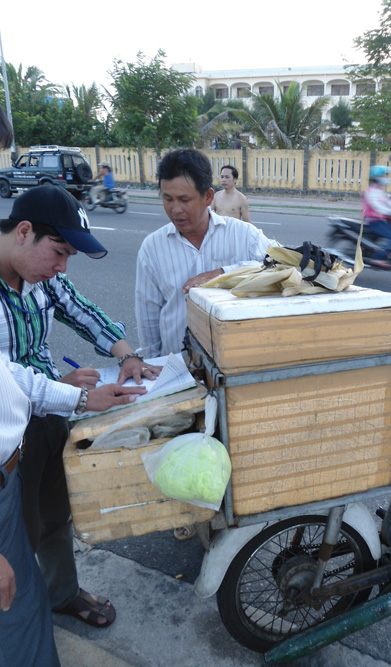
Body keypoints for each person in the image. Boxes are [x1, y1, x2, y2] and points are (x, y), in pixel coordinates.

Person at [0, 184, 161, 628]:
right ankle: (21, 617)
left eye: (69, 256)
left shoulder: (41, 278)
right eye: (59, 252)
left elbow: (83, 310)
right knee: (19, 532)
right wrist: (78, 395)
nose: (61, 267)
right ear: (24, 232)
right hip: (9, 436)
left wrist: (127, 355)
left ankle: (61, 593)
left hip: (53, 413)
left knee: (57, 515)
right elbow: (7, 380)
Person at [135, 148, 272, 540]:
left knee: (231, 441)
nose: (175, 209)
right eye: (166, 198)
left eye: (184, 199)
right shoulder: (153, 247)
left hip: (235, 367)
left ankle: (231, 513)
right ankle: (189, 513)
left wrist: (223, 273)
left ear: (208, 197)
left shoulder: (242, 236)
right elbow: (147, 311)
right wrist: (151, 368)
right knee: (185, 443)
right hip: (180, 369)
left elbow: (283, 264)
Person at [362, 165, 391, 269]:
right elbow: (379, 208)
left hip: (382, 219)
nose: (385, 177)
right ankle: (378, 258)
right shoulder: (370, 191)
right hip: (374, 221)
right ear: (376, 177)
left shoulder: (379, 191)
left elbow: (389, 203)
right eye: (383, 175)